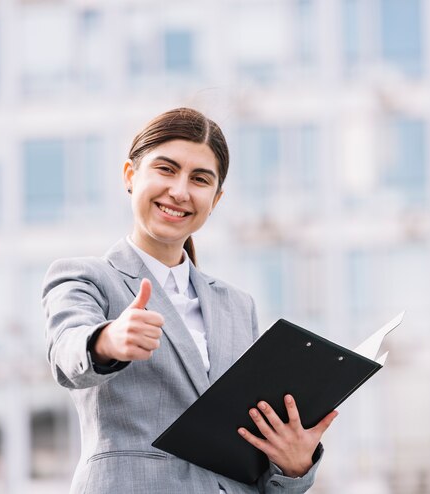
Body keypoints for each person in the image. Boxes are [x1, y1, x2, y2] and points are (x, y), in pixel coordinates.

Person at [42, 107, 338, 494]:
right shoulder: (87, 277)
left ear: (215, 199)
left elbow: (244, 452)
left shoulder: (237, 306)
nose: (180, 191)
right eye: (166, 170)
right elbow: (67, 351)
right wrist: (107, 341)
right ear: (131, 176)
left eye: (199, 179)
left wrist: (294, 466)